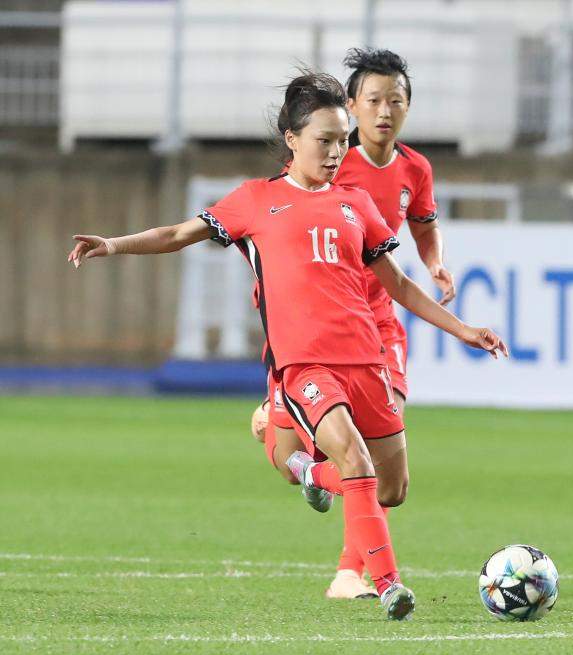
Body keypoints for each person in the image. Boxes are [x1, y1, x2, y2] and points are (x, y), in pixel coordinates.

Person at [68, 71, 508, 621]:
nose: (335, 152)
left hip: (365, 360)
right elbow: (177, 234)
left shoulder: (356, 204)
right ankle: (388, 584)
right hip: (305, 365)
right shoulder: (255, 200)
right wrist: (112, 244)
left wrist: (462, 329)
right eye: (325, 140)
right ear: (292, 139)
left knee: (390, 488)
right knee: (355, 458)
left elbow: (397, 284)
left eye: (342, 141)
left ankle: (310, 473)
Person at [250, 47, 456, 600]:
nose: (385, 111)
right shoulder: (329, 164)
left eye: (397, 100)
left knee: (385, 468)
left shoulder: (415, 169)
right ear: (352, 105)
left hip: (379, 326)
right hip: (318, 334)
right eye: (374, 100)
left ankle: (348, 570)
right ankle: (356, 571)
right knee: (338, 453)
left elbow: (423, 225)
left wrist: (434, 261)